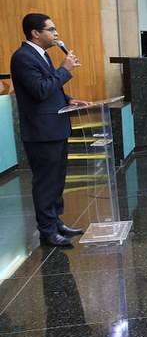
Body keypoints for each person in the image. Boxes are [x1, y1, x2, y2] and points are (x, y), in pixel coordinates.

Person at [10, 13, 89, 247]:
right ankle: (46, 230)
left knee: (57, 179)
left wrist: (68, 99)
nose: (56, 34)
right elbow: (40, 90)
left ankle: (56, 221)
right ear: (35, 33)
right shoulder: (23, 57)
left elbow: (49, 86)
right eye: (51, 29)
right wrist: (64, 69)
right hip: (41, 132)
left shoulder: (41, 55)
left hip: (55, 127)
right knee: (46, 182)